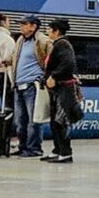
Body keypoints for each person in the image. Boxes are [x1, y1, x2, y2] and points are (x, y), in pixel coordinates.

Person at [40, 19, 80, 164]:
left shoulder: (62, 44)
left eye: (50, 29)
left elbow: (68, 64)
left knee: (60, 121)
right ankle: (57, 150)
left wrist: (54, 76)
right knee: (54, 121)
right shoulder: (57, 44)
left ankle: (66, 152)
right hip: (57, 89)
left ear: (56, 31)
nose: (47, 31)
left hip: (64, 89)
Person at [11, 14, 45, 157]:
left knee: (33, 119)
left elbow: (50, 59)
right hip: (18, 86)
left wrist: (42, 77)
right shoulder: (20, 41)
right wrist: (6, 62)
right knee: (20, 120)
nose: (21, 27)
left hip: (32, 86)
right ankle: (23, 146)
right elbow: (15, 57)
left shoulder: (42, 41)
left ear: (33, 26)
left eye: (24, 24)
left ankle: (34, 148)